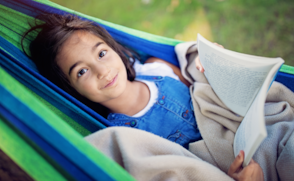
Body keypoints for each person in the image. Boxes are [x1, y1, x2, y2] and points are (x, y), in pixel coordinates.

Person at [21, 13, 263, 180]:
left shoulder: (156, 68)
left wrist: (209, 61)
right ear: (70, 88)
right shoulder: (121, 137)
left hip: (245, 140)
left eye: (102, 53)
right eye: (81, 71)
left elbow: (202, 86)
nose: (102, 71)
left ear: (115, 49)